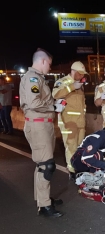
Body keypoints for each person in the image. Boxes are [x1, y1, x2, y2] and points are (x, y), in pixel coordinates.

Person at [20, 48, 66, 217]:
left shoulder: (38, 78)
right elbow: (33, 103)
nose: (50, 68)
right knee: (46, 166)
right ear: (43, 61)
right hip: (38, 126)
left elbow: (42, 101)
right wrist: (53, 107)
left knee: (43, 165)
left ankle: (42, 199)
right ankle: (44, 206)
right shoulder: (32, 78)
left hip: (44, 125)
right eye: (49, 64)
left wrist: (55, 102)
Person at [52, 61, 88, 180]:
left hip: (80, 122)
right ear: (73, 71)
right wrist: (71, 87)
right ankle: (72, 170)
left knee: (80, 147)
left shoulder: (80, 84)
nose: (82, 76)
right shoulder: (62, 82)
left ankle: (79, 167)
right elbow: (55, 94)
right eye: (80, 74)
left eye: (83, 74)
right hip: (68, 122)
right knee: (71, 146)